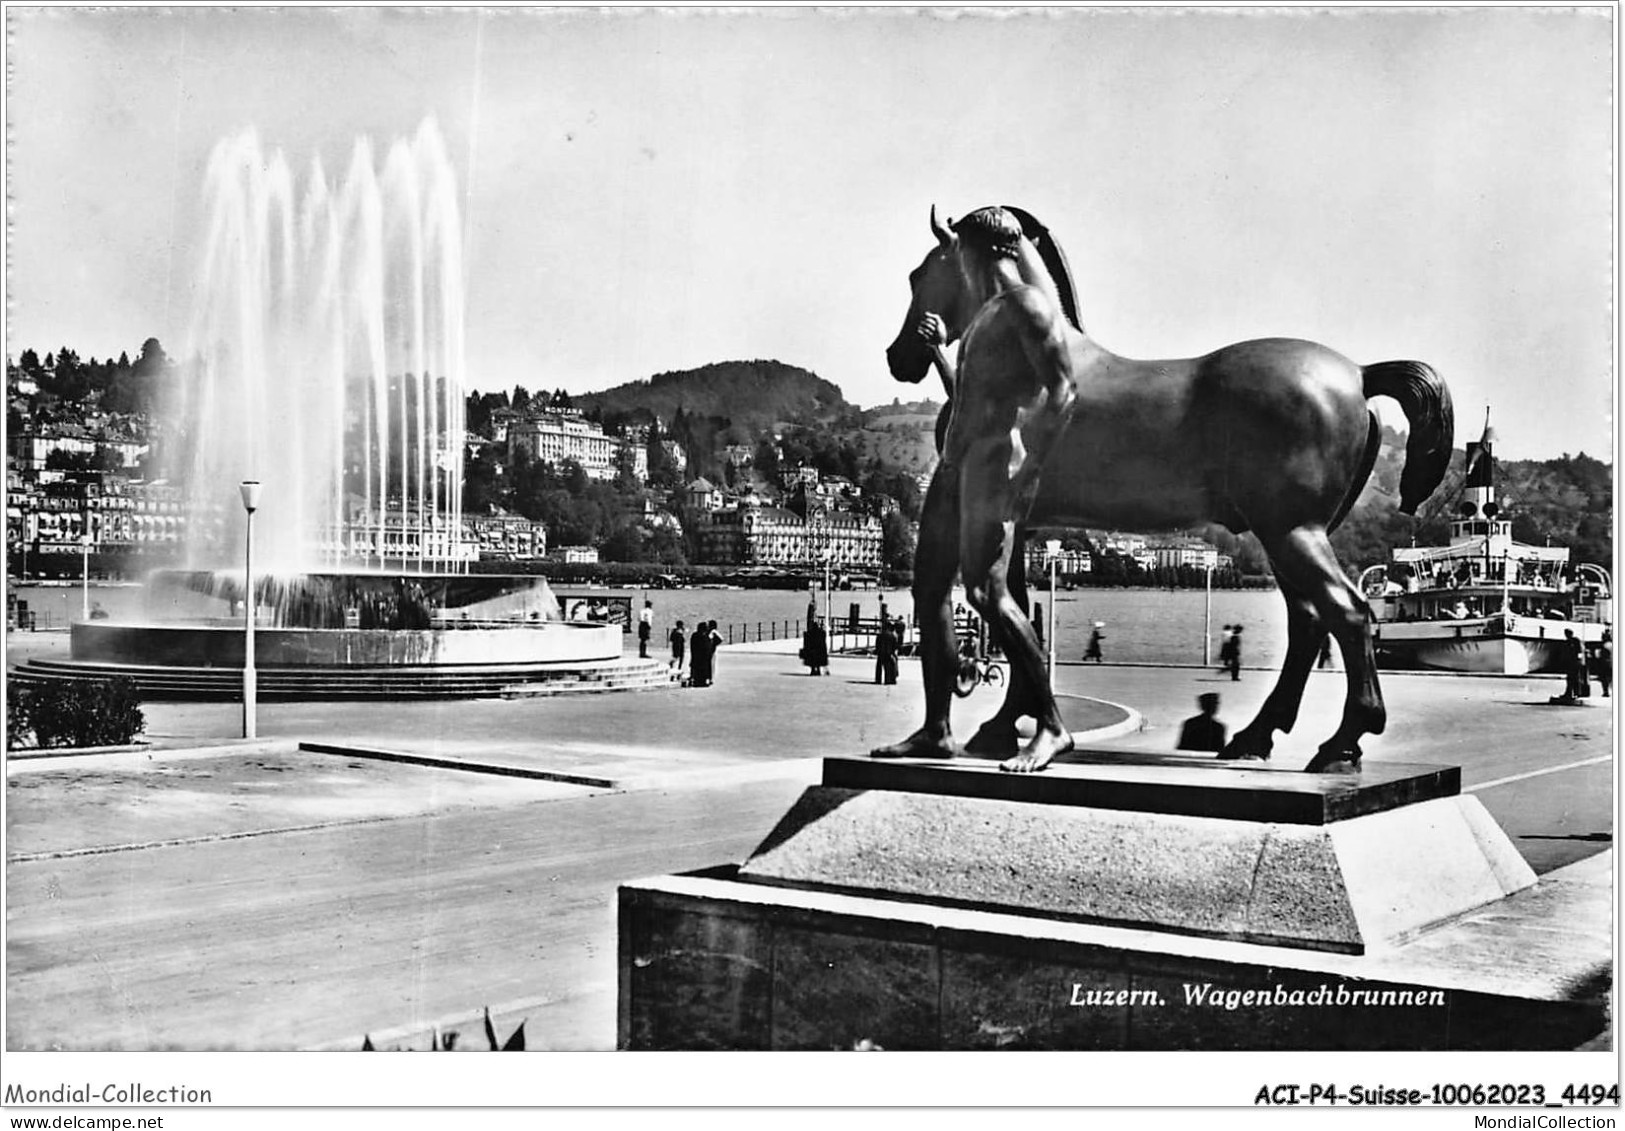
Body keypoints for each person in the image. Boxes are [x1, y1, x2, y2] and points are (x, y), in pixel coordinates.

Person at [876, 618, 899, 685]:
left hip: (881, 652)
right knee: (889, 668)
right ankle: (888, 680)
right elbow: (895, 646)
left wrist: (878, 651)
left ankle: (878, 679)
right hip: (889, 653)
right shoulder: (893, 635)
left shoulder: (880, 634)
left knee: (879, 667)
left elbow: (877, 644)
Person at [689, 621, 711, 687]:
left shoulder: (695, 635)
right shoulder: (705, 636)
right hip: (702, 657)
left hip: (697, 657)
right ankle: (701, 682)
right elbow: (707, 646)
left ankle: (698, 681)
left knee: (698, 670)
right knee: (702, 670)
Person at [1596, 629, 1613, 698]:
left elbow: (1601, 656)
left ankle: (1606, 692)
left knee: (1604, 679)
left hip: (1605, 664)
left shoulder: (1604, 646)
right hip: (1612, 664)